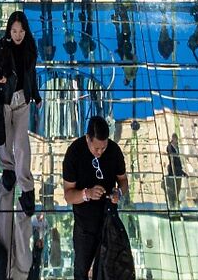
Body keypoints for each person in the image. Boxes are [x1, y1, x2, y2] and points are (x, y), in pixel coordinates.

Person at [60, 115, 127, 280]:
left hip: (108, 221)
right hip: (85, 226)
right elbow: (68, 195)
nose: (100, 152)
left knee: (110, 269)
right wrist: (86, 194)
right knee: (82, 271)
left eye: (103, 148)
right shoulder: (74, 153)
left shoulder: (114, 150)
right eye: (97, 148)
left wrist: (119, 193)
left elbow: (124, 181)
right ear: (87, 138)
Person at [0, 10, 42, 182]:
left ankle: (25, 181)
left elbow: (31, 74)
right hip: (4, 98)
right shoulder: (1, 46)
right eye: (14, 31)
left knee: (21, 142)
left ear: (26, 31)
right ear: (9, 31)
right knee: (3, 139)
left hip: (22, 99)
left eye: (21, 31)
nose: (18, 35)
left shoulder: (30, 48)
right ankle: (8, 169)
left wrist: (36, 95)